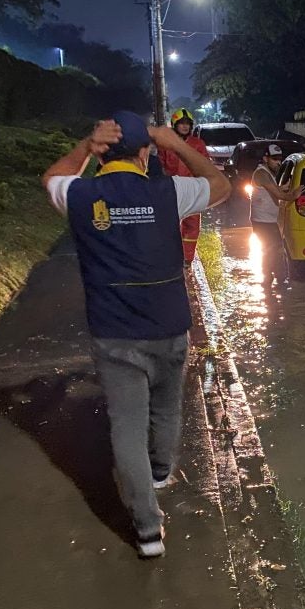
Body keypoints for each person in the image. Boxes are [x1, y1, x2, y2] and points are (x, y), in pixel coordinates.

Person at [41, 110, 230, 558]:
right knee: (166, 407)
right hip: (168, 325)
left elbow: (52, 176)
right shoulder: (168, 192)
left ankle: (148, 532)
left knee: (126, 427)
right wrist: (178, 144)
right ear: (146, 153)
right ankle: (161, 472)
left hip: (114, 334)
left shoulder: (82, 194)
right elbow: (220, 186)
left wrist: (86, 147)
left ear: (106, 153)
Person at [159, 107, 211, 264]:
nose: (185, 126)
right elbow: (160, 166)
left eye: (188, 123)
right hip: (171, 188)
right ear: (175, 124)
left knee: (192, 225)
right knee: (169, 225)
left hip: (192, 189)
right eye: (181, 123)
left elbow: (206, 165)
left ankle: (187, 258)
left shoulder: (198, 144)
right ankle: (170, 256)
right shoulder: (166, 144)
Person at [249, 143, 301, 289]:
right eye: (274, 159)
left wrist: (284, 188)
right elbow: (279, 195)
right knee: (274, 250)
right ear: (265, 158)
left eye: (280, 158)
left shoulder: (268, 173)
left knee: (270, 250)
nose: (278, 162)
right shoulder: (261, 173)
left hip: (267, 220)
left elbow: (273, 190)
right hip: (263, 221)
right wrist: (293, 195)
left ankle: (270, 280)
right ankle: (279, 280)